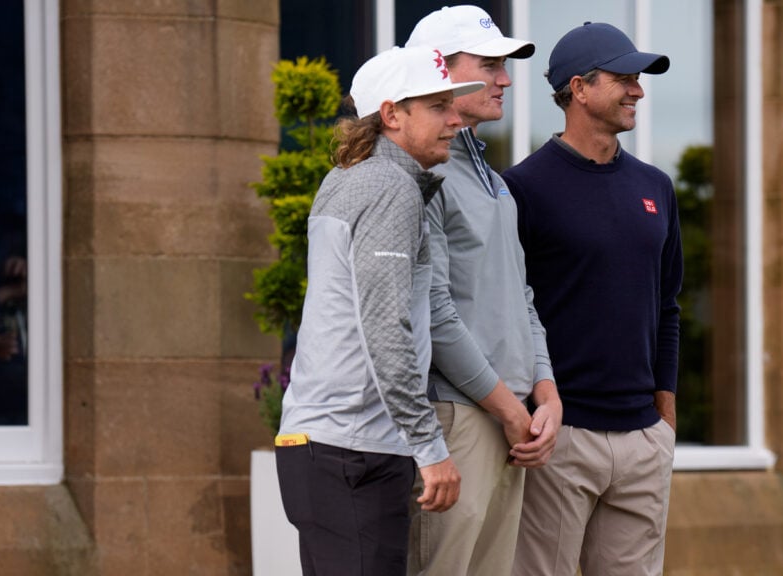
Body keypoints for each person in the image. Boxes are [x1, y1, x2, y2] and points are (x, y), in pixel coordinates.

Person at [274, 45, 484, 576]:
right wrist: (430, 447)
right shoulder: (389, 187)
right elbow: (385, 326)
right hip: (351, 452)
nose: (457, 119)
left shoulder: (349, 178)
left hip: (330, 449)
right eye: (438, 106)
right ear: (392, 114)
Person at [502, 22, 683, 576]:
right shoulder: (520, 189)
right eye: (624, 78)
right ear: (579, 88)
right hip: (563, 438)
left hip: (643, 442)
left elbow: (668, 307)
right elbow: (509, 312)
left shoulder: (656, 187)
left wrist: (665, 422)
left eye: (638, 79)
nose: (638, 91)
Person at [403, 6, 562, 576]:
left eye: (504, 65)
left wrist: (545, 391)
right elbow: (435, 312)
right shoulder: (423, 173)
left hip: (510, 417)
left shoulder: (494, 179)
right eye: (490, 64)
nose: (506, 78)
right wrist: (507, 408)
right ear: (440, 69)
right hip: (459, 416)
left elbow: (521, 294)